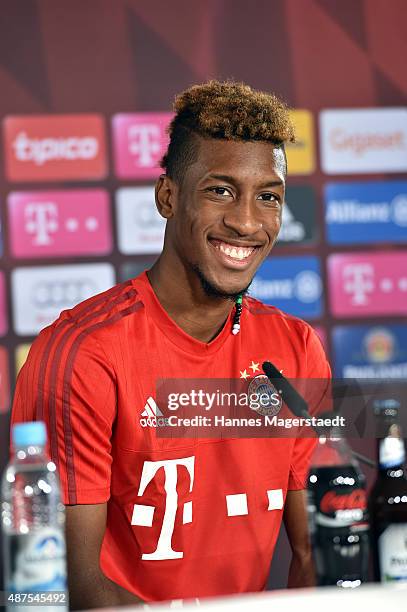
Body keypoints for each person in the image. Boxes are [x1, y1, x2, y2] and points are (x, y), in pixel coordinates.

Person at [11, 80, 331, 609]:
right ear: (168, 196)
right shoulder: (82, 353)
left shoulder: (295, 347)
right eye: (220, 190)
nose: (247, 222)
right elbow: (68, 584)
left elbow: (311, 554)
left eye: (268, 197)